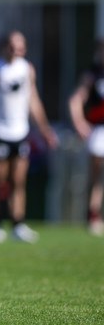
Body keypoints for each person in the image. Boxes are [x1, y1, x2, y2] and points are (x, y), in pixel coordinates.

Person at [0, 30, 58, 244]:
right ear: (4, 46)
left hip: (20, 132)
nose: (16, 50)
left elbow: (33, 100)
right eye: (12, 45)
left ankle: (17, 224)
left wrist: (44, 129)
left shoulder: (27, 69)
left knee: (18, 180)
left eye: (20, 46)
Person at [68, 37, 104, 236]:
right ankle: (93, 216)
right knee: (96, 175)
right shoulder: (92, 74)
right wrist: (79, 122)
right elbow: (75, 100)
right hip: (99, 130)